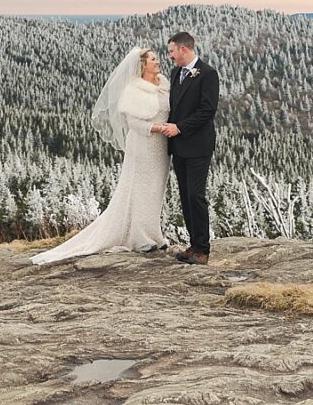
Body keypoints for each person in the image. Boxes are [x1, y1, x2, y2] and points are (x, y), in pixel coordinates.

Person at [30, 46, 171, 265]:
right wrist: (159, 128)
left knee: (156, 189)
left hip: (162, 146)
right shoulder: (133, 89)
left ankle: (154, 233)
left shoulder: (164, 83)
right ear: (143, 65)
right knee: (140, 188)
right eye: (153, 59)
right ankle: (141, 238)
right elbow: (133, 123)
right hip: (143, 144)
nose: (158, 61)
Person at [150, 30, 219, 265]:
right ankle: (193, 245)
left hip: (198, 145)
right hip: (179, 147)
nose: (169, 56)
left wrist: (179, 127)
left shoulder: (208, 74)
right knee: (185, 197)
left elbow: (207, 110)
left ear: (183, 49)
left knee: (196, 196)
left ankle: (203, 249)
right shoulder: (176, 72)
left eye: (171, 51)